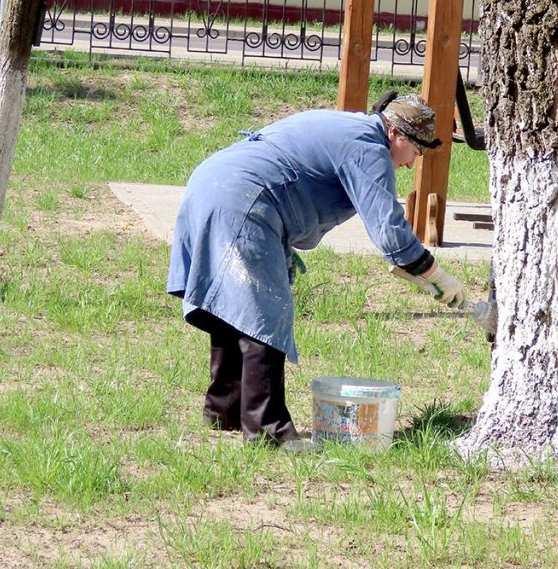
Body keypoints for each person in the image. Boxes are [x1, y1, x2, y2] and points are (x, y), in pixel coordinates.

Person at [167, 92, 470, 443]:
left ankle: (225, 412)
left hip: (213, 184)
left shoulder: (347, 125)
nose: (410, 164)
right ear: (397, 134)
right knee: (263, 314)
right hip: (244, 201)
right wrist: (434, 274)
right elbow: (389, 232)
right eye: (416, 153)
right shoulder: (369, 148)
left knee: (232, 308)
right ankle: (268, 432)